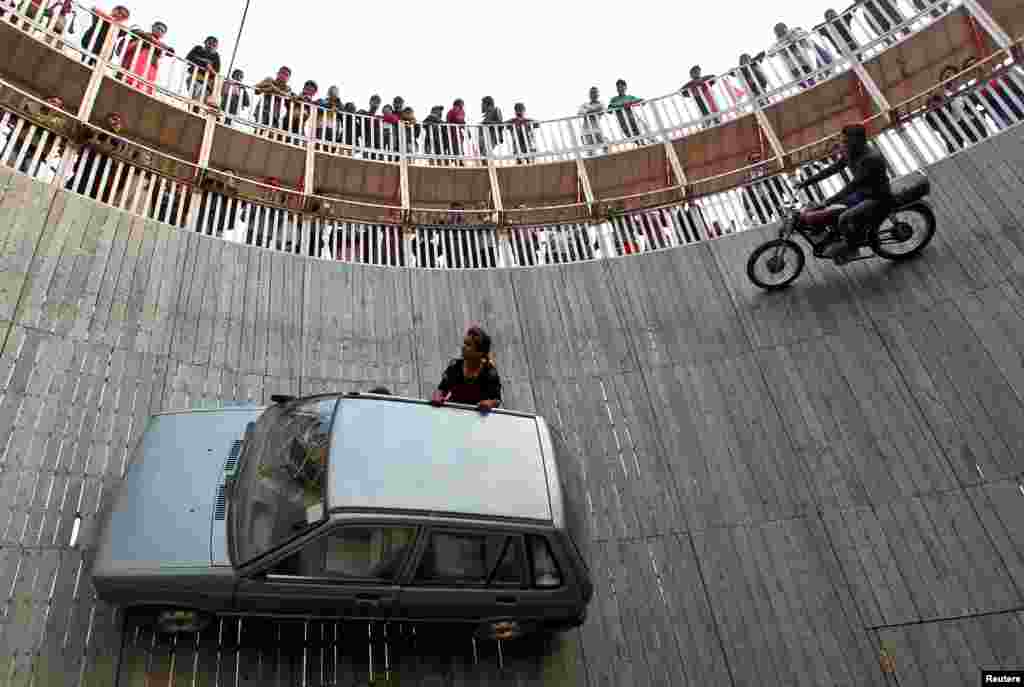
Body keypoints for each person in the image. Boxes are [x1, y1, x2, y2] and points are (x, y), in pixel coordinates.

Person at [793, 124, 891, 262]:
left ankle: (853, 248)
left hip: (876, 196)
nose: (843, 144)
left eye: (846, 141)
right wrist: (806, 182)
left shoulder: (870, 159)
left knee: (843, 218)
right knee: (832, 211)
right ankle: (840, 237)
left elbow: (852, 186)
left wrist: (826, 202)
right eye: (843, 141)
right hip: (862, 193)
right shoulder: (851, 152)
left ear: (857, 141)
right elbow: (833, 169)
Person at [430, 326, 502, 412]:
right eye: (464, 343)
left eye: (468, 345)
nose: (463, 347)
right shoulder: (454, 366)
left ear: (480, 353)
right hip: (453, 412)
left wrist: (489, 403)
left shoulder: (490, 373)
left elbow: (496, 399)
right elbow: (442, 389)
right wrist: (437, 396)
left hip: (476, 416)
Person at [121, 21, 172, 96]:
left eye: (162, 31)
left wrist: (155, 43)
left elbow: (171, 52)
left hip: (150, 67)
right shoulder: (142, 35)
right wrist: (152, 41)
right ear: (153, 27)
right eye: (158, 28)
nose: (160, 31)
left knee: (146, 84)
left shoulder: (160, 46)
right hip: (135, 63)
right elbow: (134, 32)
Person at [185, 35, 220, 103]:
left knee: (199, 102)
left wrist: (210, 68)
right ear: (205, 42)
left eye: (214, 45)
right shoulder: (198, 49)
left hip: (206, 83)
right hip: (194, 77)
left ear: (216, 47)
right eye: (209, 43)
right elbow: (188, 59)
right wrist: (204, 63)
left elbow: (216, 72)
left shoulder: (216, 56)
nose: (211, 46)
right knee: (193, 98)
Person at [578, 86, 605, 154]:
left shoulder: (601, 103)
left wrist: (587, 110)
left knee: (605, 147)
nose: (593, 94)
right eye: (592, 93)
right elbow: (580, 113)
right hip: (586, 131)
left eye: (595, 92)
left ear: (598, 94)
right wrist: (591, 110)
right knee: (590, 152)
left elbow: (601, 110)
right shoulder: (584, 104)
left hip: (597, 130)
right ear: (589, 95)